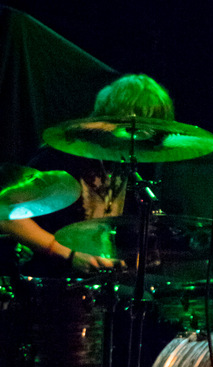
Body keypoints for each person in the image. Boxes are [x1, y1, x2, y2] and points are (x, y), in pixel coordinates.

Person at [0, 74, 175, 277]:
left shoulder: (127, 165)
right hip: (53, 277)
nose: (142, 141)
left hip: (100, 280)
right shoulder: (61, 156)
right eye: (136, 132)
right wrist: (67, 254)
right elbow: (4, 214)